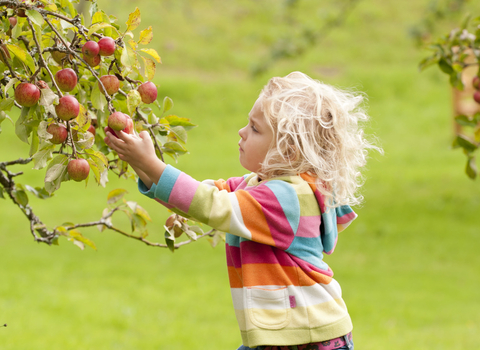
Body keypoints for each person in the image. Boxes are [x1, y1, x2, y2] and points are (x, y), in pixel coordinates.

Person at [104, 71, 380, 350]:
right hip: (280, 336)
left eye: (255, 128)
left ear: (288, 152)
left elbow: (210, 205)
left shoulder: (286, 199)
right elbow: (196, 198)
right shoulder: (258, 185)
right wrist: (136, 159)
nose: (242, 132)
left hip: (309, 339)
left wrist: (151, 164)